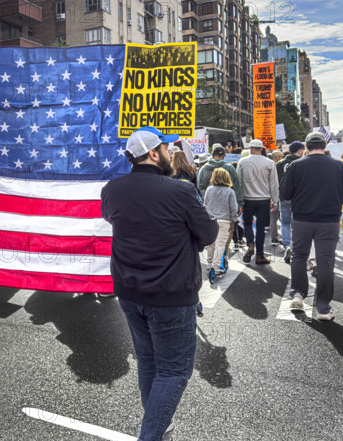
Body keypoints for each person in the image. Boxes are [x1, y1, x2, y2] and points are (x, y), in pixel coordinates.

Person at [101, 127, 218, 441]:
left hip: (129, 291)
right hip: (170, 295)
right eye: (166, 148)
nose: (170, 153)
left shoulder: (112, 189)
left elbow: (114, 220)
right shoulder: (179, 190)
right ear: (153, 153)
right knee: (174, 371)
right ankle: (151, 435)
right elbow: (207, 235)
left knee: (149, 362)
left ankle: (160, 426)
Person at [280, 132, 343, 321]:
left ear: (306, 146)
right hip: (328, 221)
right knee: (326, 262)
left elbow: (285, 194)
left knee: (299, 257)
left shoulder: (295, 165)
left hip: (302, 219)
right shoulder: (339, 165)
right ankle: (323, 307)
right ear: (324, 145)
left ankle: (297, 294)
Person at [237, 139, 279, 264]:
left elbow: (238, 183)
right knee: (261, 227)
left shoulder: (242, 162)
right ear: (261, 149)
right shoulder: (270, 162)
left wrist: (239, 201)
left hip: (247, 199)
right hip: (264, 199)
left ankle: (250, 244)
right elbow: (274, 183)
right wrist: (275, 201)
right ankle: (260, 254)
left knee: (248, 224)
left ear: (251, 148)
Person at [203, 169, 239, 272]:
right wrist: (234, 219)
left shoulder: (209, 190)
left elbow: (205, 205)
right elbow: (233, 208)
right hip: (224, 221)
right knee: (220, 244)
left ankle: (209, 263)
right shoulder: (230, 191)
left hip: (211, 220)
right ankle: (216, 266)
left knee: (210, 243)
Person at [276, 141, 305, 263]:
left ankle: (287, 245)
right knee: (298, 223)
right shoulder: (302, 163)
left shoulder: (280, 163)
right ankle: (296, 246)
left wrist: (275, 197)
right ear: (299, 151)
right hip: (299, 198)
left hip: (284, 198)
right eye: (302, 150)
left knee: (285, 223)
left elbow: (275, 181)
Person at [197, 144, 244, 211]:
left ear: (212, 154)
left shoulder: (204, 168)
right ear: (224, 155)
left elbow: (199, 186)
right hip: (227, 203)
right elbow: (236, 187)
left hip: (210, 203)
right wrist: (239, 204)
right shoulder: (229, 168)